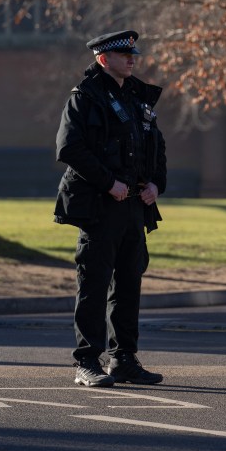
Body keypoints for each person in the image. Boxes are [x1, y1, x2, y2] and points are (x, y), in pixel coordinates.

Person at [54, 30, 167, 387]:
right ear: (103, 59)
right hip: (99, 207)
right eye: (124, 54)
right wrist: (107, 182)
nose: (132, 58)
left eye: (133, 53)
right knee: (94, 285)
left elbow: (156, 147)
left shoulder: (138, 99)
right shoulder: (85, 97)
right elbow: (69, 148)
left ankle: (123, 359)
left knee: (129, 285)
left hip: (134, 207)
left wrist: (155, 185)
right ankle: (87, 362)